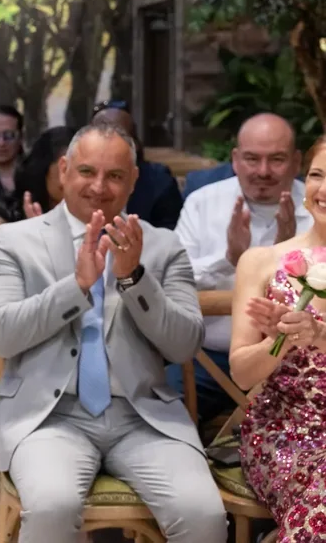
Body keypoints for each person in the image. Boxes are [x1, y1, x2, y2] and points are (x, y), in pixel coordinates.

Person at [0, 124, 226, 543]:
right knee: (52, 507)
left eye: (114, 175)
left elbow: (184, 344)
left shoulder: (163, 247)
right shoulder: (12, 241)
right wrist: (75, 288)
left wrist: (134, 279)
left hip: (144, 418)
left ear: (133, 180)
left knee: (203, 515)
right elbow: (0, 335)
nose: (99, 186)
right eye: (87, 171)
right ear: (63, 170)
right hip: (47, 418)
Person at [171, 113, 308, 423]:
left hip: (298, 361)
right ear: (234, 160)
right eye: (251, 159)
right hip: (208, 362)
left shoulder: (318, 207)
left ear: (296, 161)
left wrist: (284, 260)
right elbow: (172, 283)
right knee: (157, 411)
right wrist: (229, 260)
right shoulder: (201, 203)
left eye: (276, 159)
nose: (263, 171)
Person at [230, 134, 326, 541]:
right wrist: (284, 339)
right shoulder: (262, 262)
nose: (324, 189)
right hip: (287, 430)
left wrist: (319, 334)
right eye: (318, 175)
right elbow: (242, 374)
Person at [91, 102, 182, 229]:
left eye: (118, 137)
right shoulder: (77, 179)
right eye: (101, 138)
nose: (109, 146)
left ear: (136, 144)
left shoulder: (158, 182)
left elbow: (170, 237)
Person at [4, 126, 76, 222]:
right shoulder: (11, 214)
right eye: (65, 168)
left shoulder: (93, 212)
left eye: (84, 170)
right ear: (43, 169)